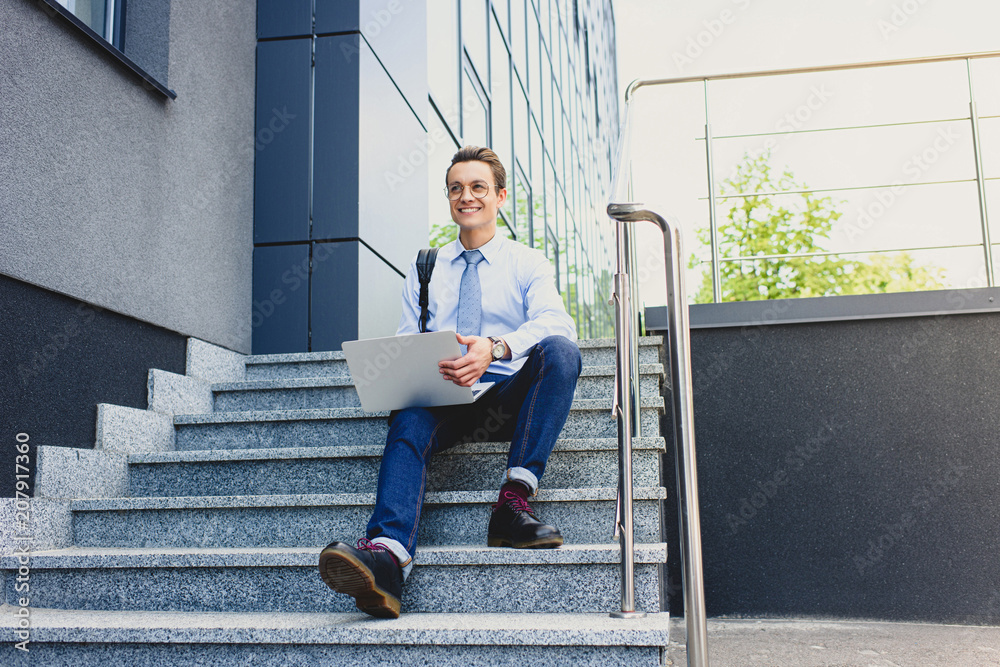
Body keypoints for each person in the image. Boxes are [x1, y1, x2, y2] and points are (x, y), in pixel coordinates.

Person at [318, 145, 581, 618]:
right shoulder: (426, 268)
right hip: (446, 398)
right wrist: (408, 371)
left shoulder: (527, 263)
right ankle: (388, 558)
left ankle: (512, 504)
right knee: (409, 414)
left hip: (509, 397)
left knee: (561, 353)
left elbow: (558, 323)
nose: (467, 196)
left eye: (478, 187)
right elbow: (406, 341)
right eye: (456, 188)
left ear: (500, 196)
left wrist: (495, 348)